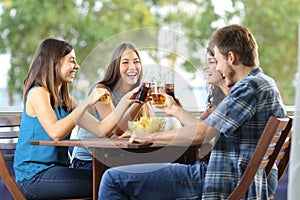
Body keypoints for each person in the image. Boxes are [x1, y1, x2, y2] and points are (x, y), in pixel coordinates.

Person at [98, 24, 286, 199]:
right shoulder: (264, 83)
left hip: (221, 180)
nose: (217, 67)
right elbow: (206, 131)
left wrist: (150, 138)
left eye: (217, 60)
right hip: (240, 178)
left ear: (231, 58)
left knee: (112, 180)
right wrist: (175, 112)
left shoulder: (249, 87)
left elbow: (203, 133)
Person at [13, 38, 138, 199]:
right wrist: (87, 102)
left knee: (118, 178)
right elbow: (56, 132)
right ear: (54, 63)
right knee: (114, 181)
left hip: (58, 171)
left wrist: (128, 99)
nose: (76, 66)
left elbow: (101, 129)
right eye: (71, 61)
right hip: (35, 177)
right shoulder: (38, 93)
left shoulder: (66, 98)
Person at [71, 42, 152, 169]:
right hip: (88, 162)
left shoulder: (139, 93)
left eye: (136, 62)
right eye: (125, 62)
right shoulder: (102, 91)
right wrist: (139, 102)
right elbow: (117, 130)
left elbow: (142, 131)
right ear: (115, 66)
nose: (132, 67)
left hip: (116, 158)